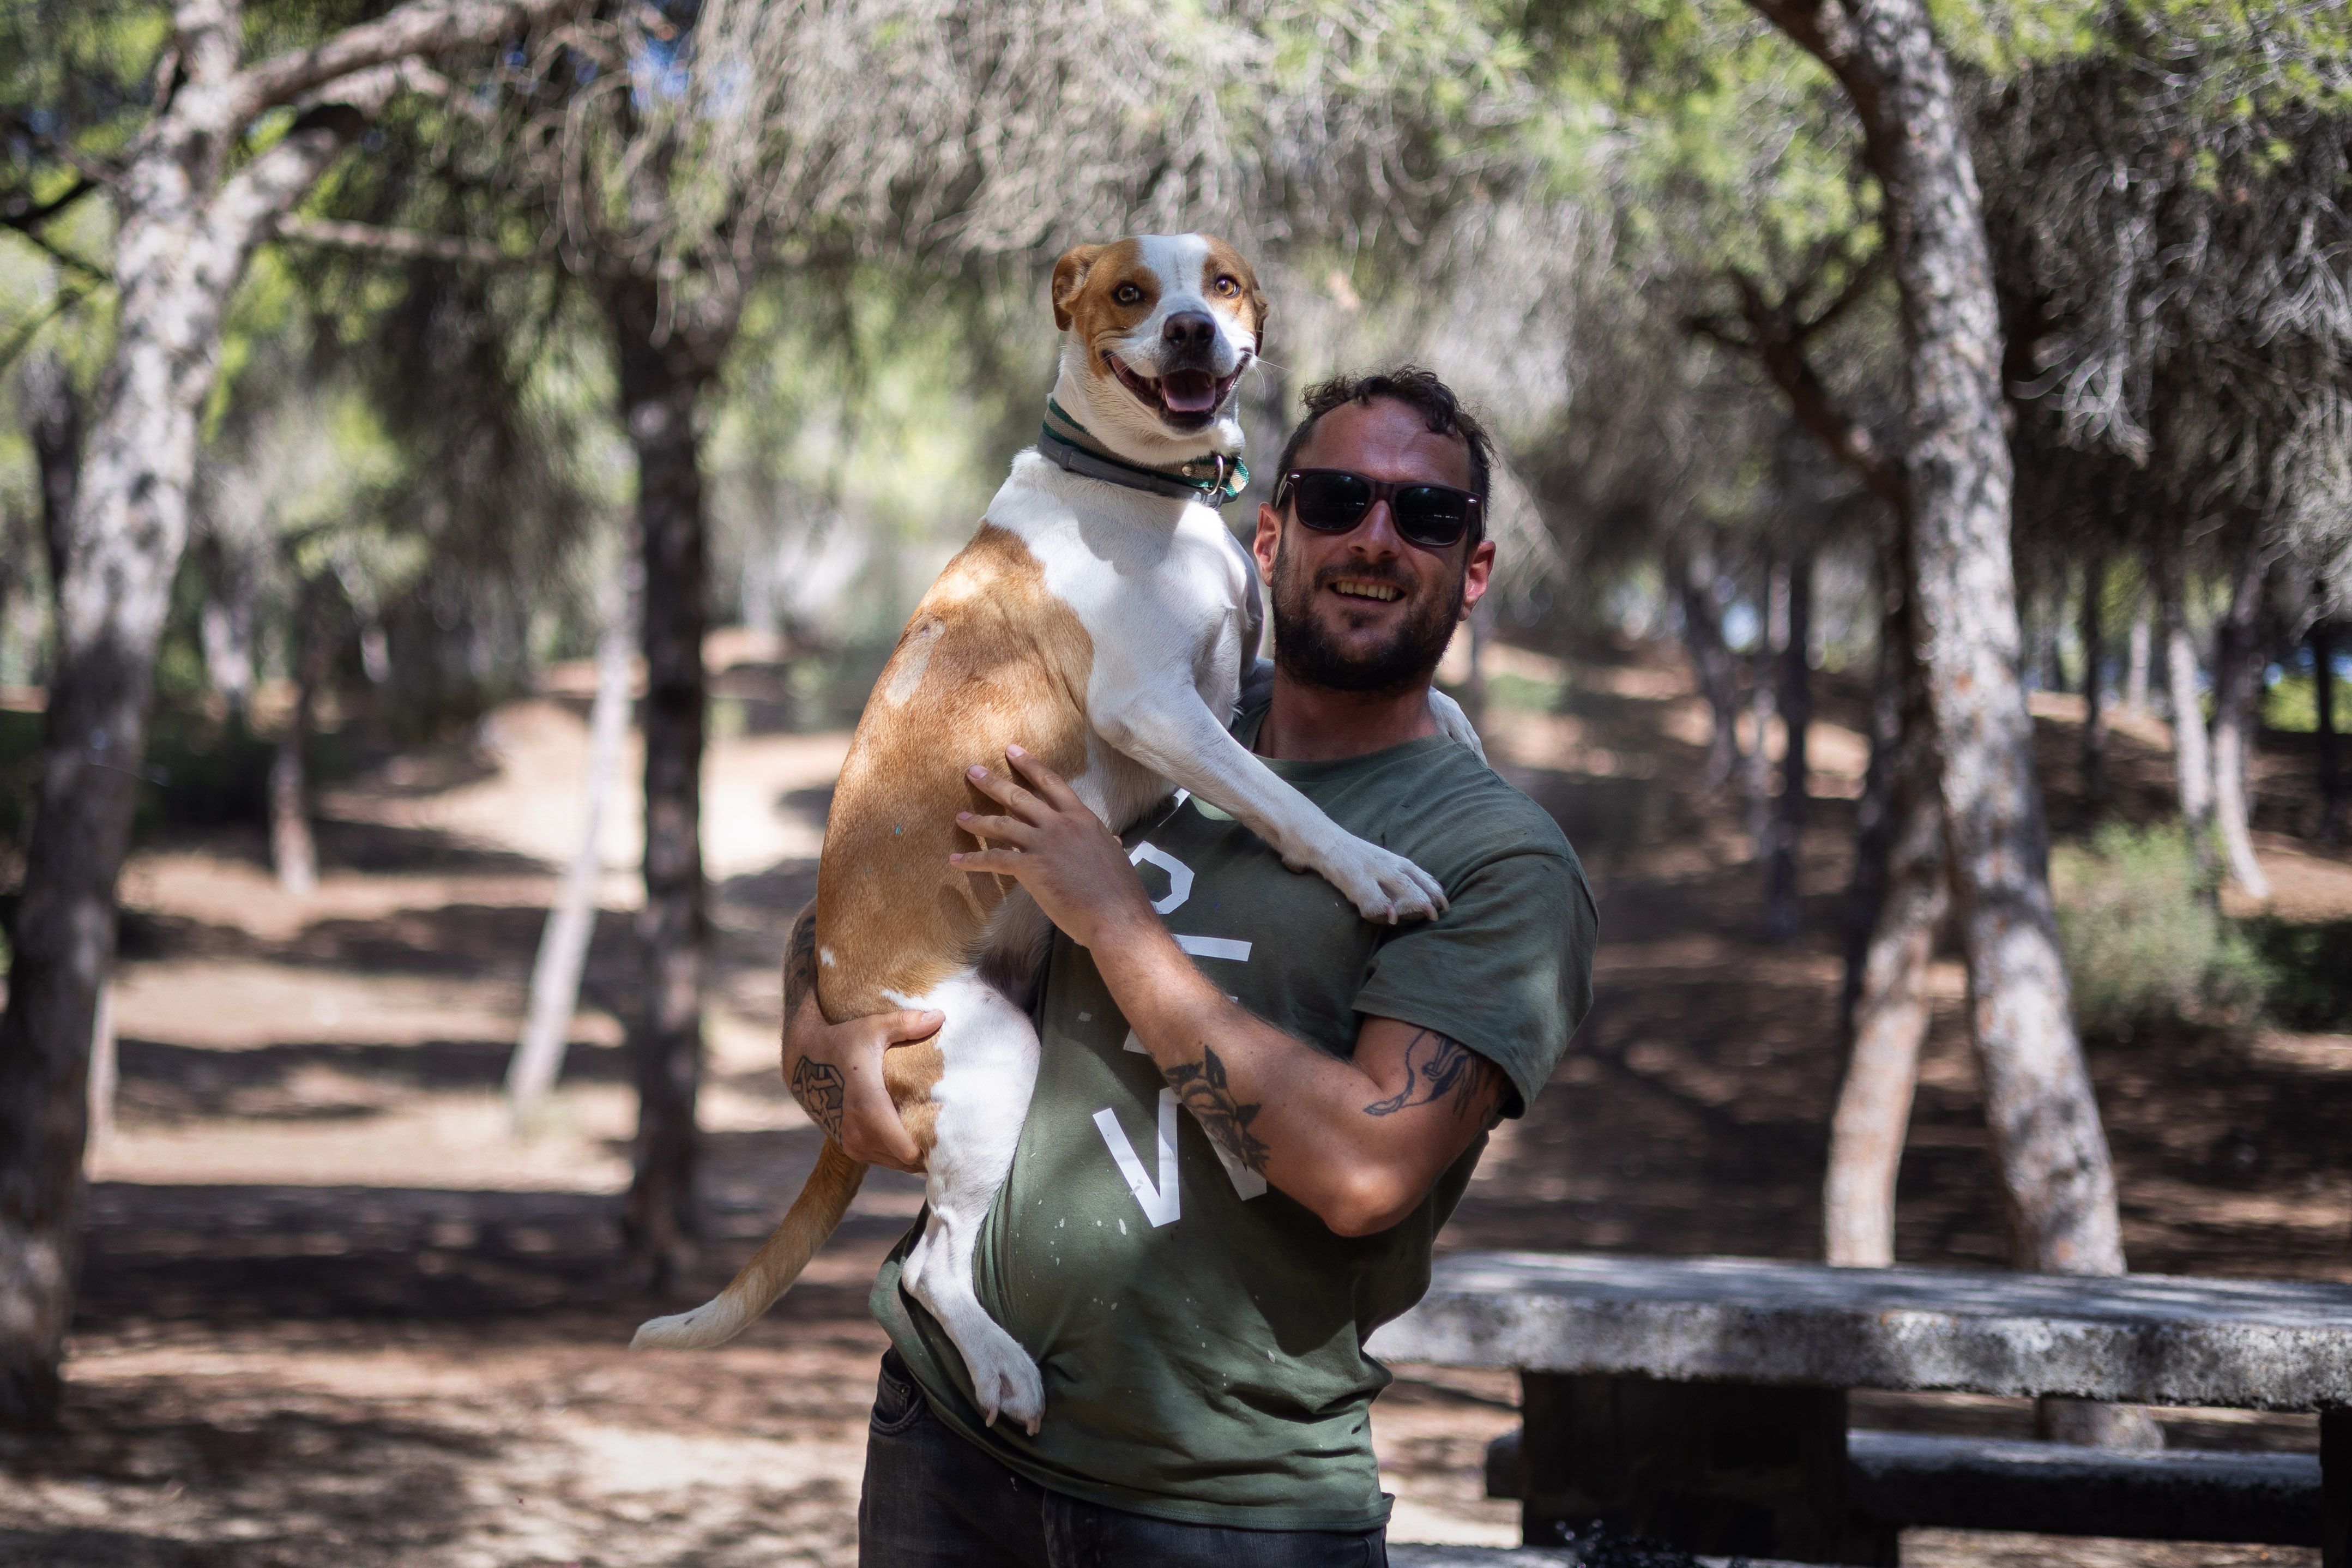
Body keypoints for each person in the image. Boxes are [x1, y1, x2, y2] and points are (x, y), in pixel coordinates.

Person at [781, 367, 1597, 1566]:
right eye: (1336, 500)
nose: (1374, 538)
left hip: (1228, 1506)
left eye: (1424, 515)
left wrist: (1116, 920)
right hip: (945, 1445)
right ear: (1268, 537)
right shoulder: (1133, 719)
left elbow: (1364, 1170)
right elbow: (882, 870)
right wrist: (814, 1037)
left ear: (1473, 570)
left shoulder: (1495, 857)